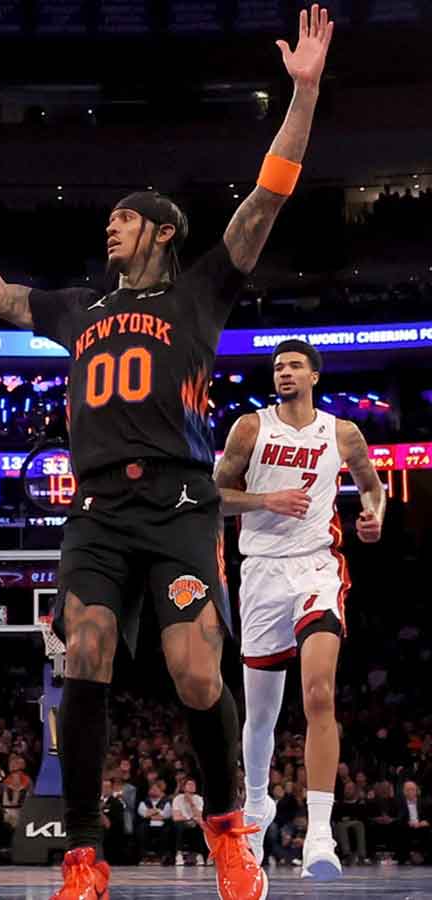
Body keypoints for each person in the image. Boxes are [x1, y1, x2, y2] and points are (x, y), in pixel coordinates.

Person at [0, 8, 334, 897]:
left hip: (181, 505)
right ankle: (82, 856)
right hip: (98, 510)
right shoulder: (78, 309)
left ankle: (229, 831)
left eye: (122, 221)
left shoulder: (199, 292)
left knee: (193, 670)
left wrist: (301, 92)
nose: (109, 231)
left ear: (160, 230)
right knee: (86, 654)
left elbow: (268, 197)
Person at [215, 339, 383, 879]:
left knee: (319, 693)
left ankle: (320, 833)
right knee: (260, 715)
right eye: (278, 367)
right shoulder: (250, 428)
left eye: (293, 366)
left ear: (314, 375)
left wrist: (373, 517)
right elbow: (211, 495)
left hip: (316, 566)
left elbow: (372, 488)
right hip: (261, 571)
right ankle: (259, 804)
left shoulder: (342, 433)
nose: (284, 373)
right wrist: (265, 500)